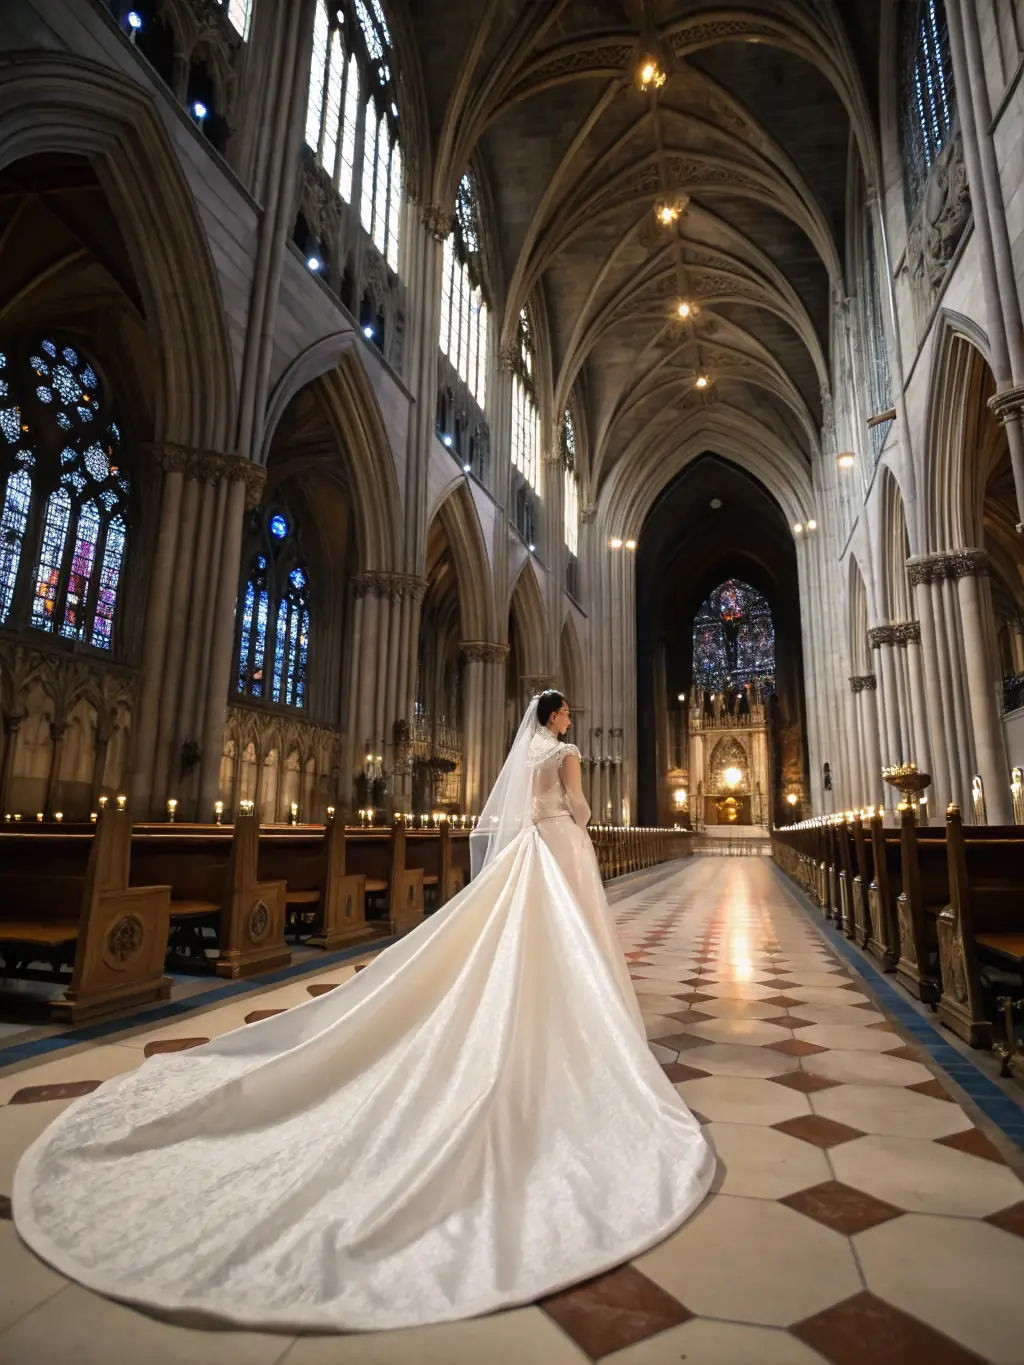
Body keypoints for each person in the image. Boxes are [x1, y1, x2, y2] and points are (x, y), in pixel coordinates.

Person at [13, 692, 713, 1333]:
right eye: (567, 715)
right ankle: (580, 1037)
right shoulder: (565, 754)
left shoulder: (527, 752)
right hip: (558, 848)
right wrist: (580, 821)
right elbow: (580, 810)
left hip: (525, 851)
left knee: (512, 942)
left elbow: (518, 812)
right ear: (558, 719)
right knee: (568, 941)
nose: (569, 722)